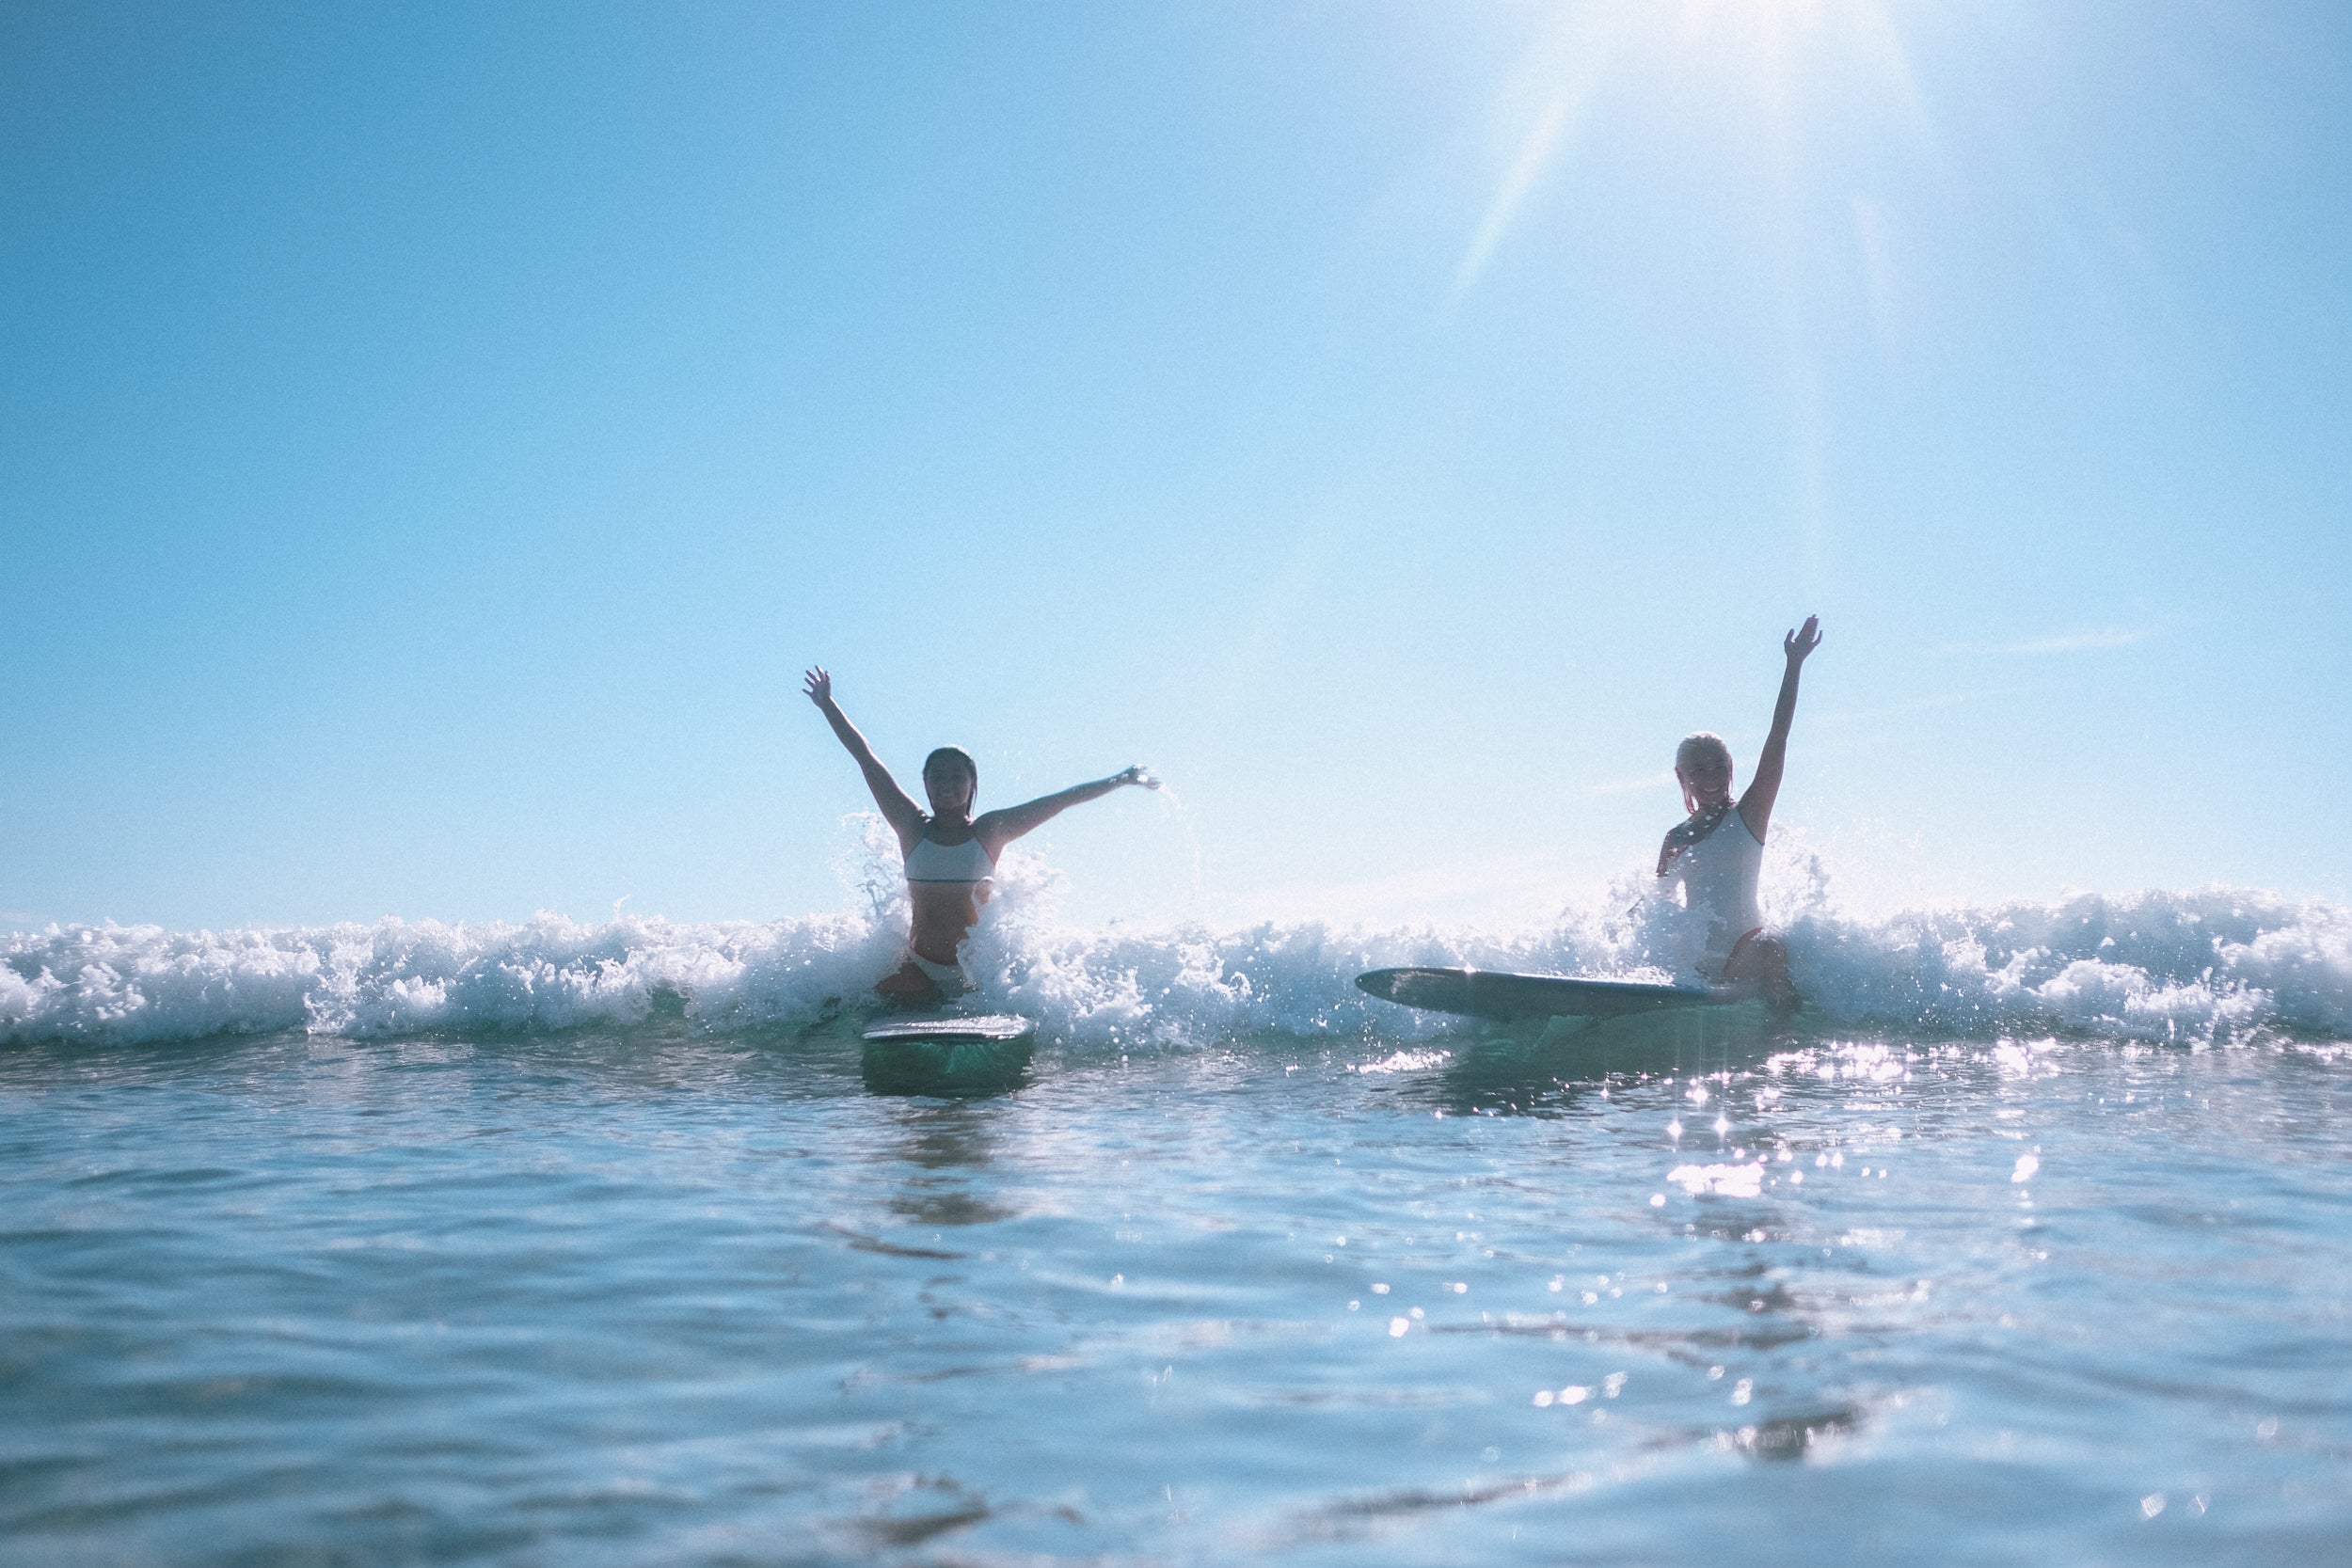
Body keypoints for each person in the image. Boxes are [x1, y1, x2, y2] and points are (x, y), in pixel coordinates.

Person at [803, 667, 1157, 1006]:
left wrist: (1122, 779)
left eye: (957, 777)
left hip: (975, 973)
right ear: (925, 783)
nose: (947, 785)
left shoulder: (991, 831)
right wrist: (828, 706)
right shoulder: (910, 826)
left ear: (972, 783)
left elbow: (1061, 800)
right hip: (919, 971)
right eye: (937, 777)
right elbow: (866, 759)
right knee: (856, 998)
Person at [1656, 615, 1823, 1015]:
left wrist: (1793, 665)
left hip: (1744, 955)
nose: (1711, 778)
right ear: (1683, 778)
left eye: (1719, 767)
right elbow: (1656, 907)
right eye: (1699, 770)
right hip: (1695, 967)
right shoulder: (1675, 837)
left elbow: (1777, 739)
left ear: (1731, 768)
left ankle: (1780, 1037)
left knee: (1770, 946)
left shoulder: (1749, 815)